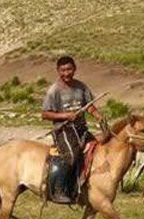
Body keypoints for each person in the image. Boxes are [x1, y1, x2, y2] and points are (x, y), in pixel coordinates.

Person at [40, 55, 103, 198]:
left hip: (81, 128)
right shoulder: (54, 90)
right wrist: (66, 116)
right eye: (63, 70)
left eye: (69, 69)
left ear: (74, 69)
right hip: (63, 130)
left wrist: (97, 115)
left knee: (98, 149)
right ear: (58, 71)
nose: (66, 73)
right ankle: (59, 189)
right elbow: (45, 114)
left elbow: (89, 106)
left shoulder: (81, 87)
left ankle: (87, 183)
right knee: (71, 155)